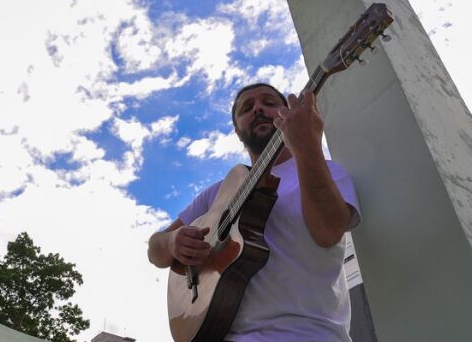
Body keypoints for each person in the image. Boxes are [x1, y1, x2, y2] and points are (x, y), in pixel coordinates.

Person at [147, 83, 361, 341]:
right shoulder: (217, 193)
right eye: (247, 108)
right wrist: (172, 242)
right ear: (237, 132)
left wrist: (307, 147)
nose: (258, 108)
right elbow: (155, 250)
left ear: (286, 114)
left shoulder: (326, 171)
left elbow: (328, 233)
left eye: (269, 103)